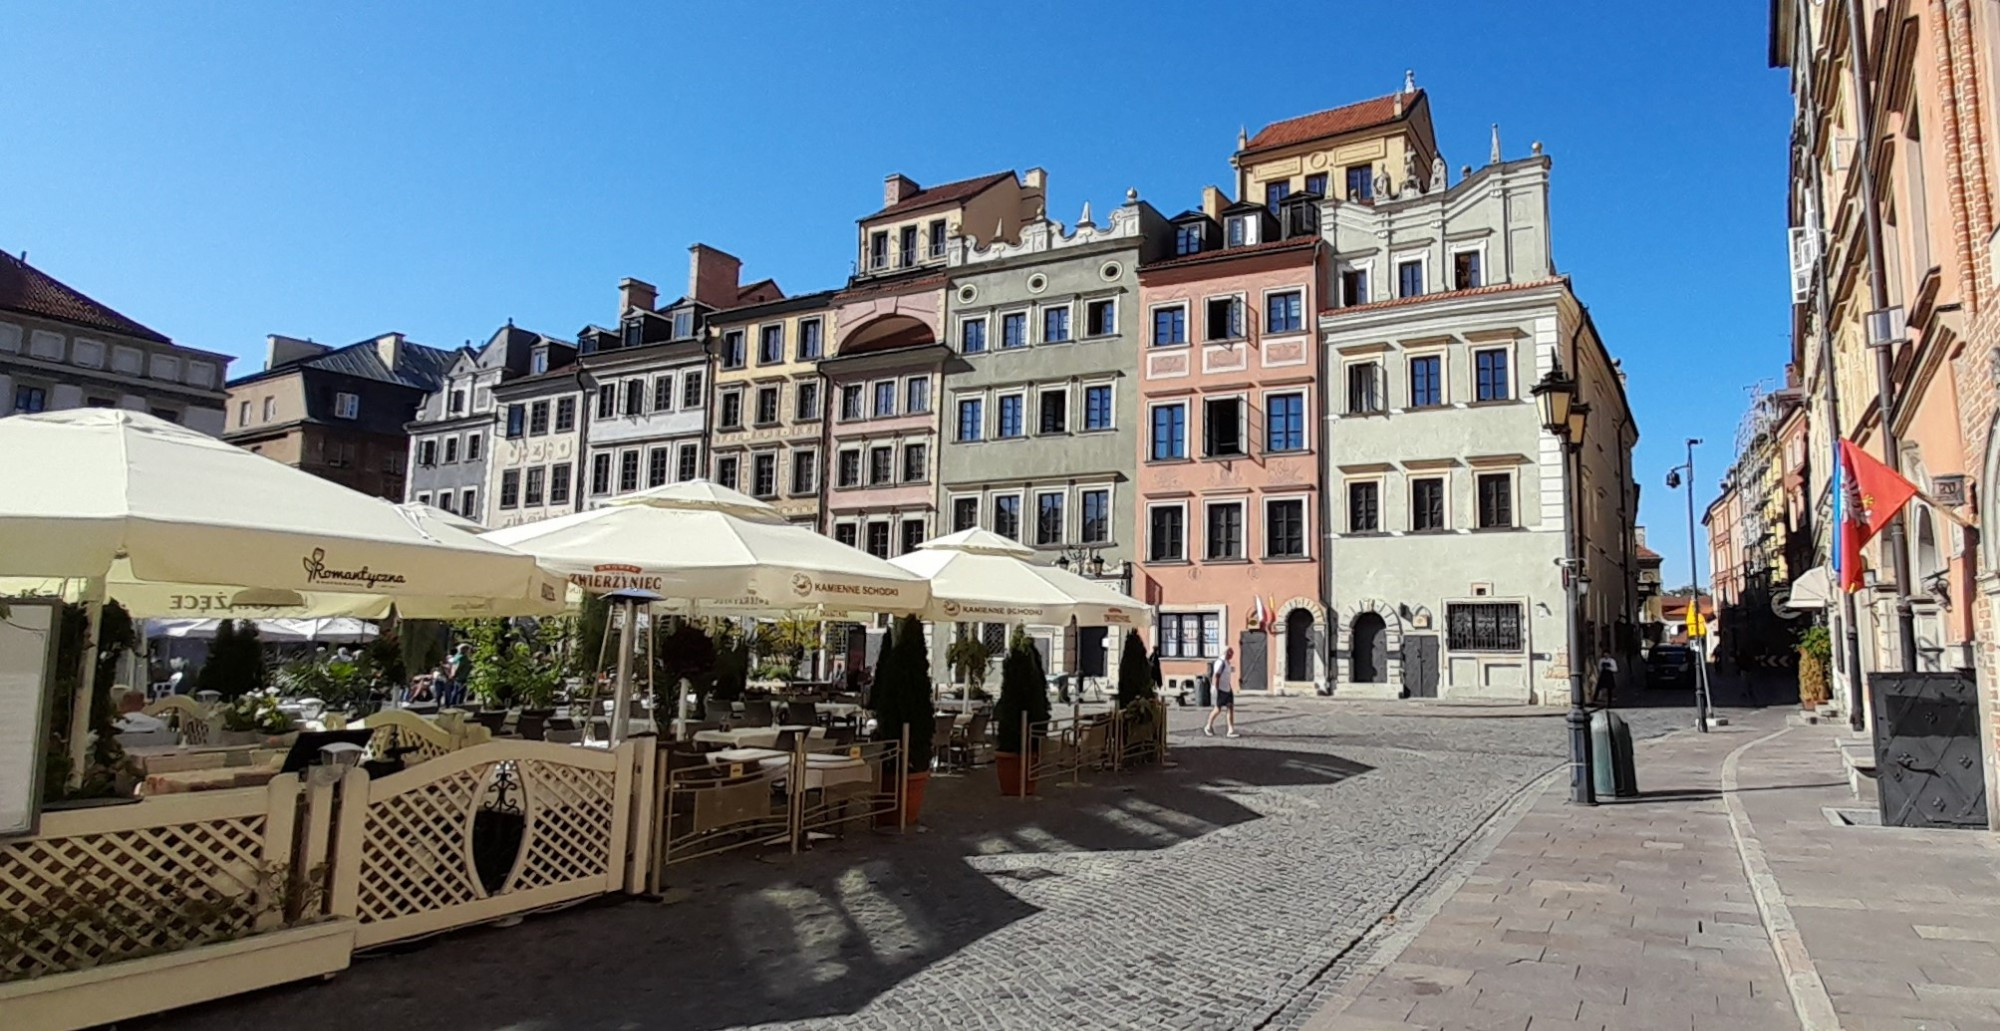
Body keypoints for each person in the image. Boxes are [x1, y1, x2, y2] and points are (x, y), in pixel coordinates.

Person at [1204, 646, 1239, 738]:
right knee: (1218, 709)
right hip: (1221, 689)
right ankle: (1208, 726)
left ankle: (1230, 730)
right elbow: (1216, 676)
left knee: (1230, 707)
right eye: (1230, 653)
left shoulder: (1227, 662)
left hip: (1227, 688)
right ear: (1226, 653)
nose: (1232, 655)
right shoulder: (1220, 662)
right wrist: (1215, 688)